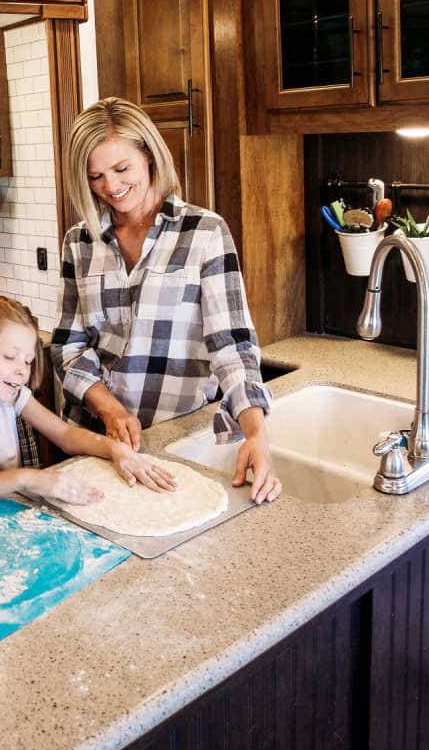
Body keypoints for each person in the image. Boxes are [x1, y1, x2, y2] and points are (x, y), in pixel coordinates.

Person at [50, 98, 282, 504]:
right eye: (96, 176)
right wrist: (111, 411)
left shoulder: (204, 232)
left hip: (181, 440)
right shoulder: (79, 242)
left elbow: (233, 346)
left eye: (122, 169)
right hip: (102, 444)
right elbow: (68, 348)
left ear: (150, 156)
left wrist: (257, 433)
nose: (111, 187)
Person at [0, 293, 172, 502]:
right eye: (10, 356)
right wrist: (26, 478)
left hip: (4, 519)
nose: (22, 370)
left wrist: (115, 449)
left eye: (28, 361)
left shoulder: (11, 397)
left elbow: (65, 435)